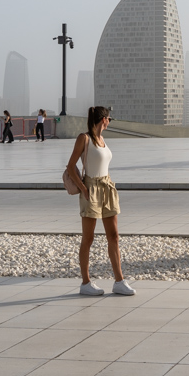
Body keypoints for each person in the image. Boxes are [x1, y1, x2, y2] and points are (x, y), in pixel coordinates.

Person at [65, 106, 134, 296]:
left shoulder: (103, 140)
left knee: (114, 236)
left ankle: (119, 281)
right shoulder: (84, 138)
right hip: (91, 188)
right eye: (109, 119)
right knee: (88, 238)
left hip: (107, 187)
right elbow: (71, 166)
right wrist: (83, 188)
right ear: (103, 119)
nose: (109, 122)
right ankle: (85, 282)